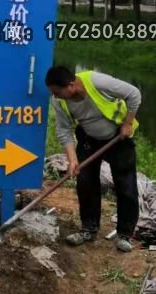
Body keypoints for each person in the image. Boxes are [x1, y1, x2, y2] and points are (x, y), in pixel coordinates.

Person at [45, 65, 141, 253]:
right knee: (85, 181)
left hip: (117, 136)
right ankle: (88, 229)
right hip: (88, 138)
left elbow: (134, 94)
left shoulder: (96, 81)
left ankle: (125, 234)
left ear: (71, 85)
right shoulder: (59, 101)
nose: (55, 96)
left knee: (126, 184)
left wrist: (128, 123)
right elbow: (64, 131)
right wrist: (72, 160)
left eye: (57, 92)